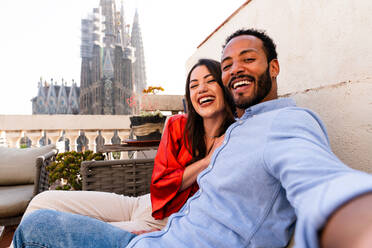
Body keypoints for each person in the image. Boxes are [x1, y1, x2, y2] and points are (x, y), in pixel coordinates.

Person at [13, 29, 372, 248]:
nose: (236, 70)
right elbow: (164, 189)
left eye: (249, 59)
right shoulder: (232, 125)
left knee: (37, 226)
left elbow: (322, 181)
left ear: (274, 68)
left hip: (163, 230)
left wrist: (358, 220)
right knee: (43, 207)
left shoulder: (284, 124)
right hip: (160, 225)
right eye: (228, 65)